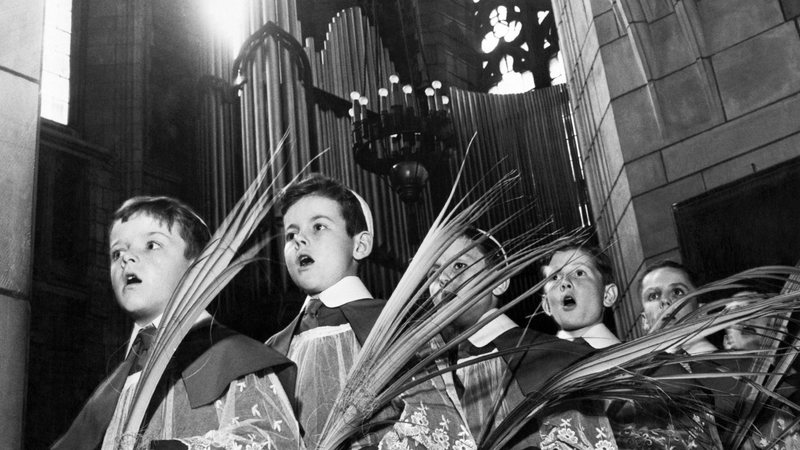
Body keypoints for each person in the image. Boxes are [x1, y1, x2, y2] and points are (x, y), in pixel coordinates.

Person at [52, 196, 303, 450]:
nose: (126, 259)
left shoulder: (234, 359)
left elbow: (272, 441)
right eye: (117, 253)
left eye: (151, 245)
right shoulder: (114, 387)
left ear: (199, 266)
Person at [423, 229, 596, 448]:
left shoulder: (556, 358)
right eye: (433, 272)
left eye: (459, 266)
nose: (443, 279)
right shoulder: (427, 373)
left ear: (500, 281)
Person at [265, 174, 386, 449]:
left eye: (318, 226)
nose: (299, 240)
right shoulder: (274, 348)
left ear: (360, 245)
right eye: (291, 234)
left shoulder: (393, 326)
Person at [639, 260, 716, 354]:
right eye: (653, 296)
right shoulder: (634, 368)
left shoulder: (734, 363)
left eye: (677, 292)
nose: (665, 300)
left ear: (702, 312)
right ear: (645, 320)